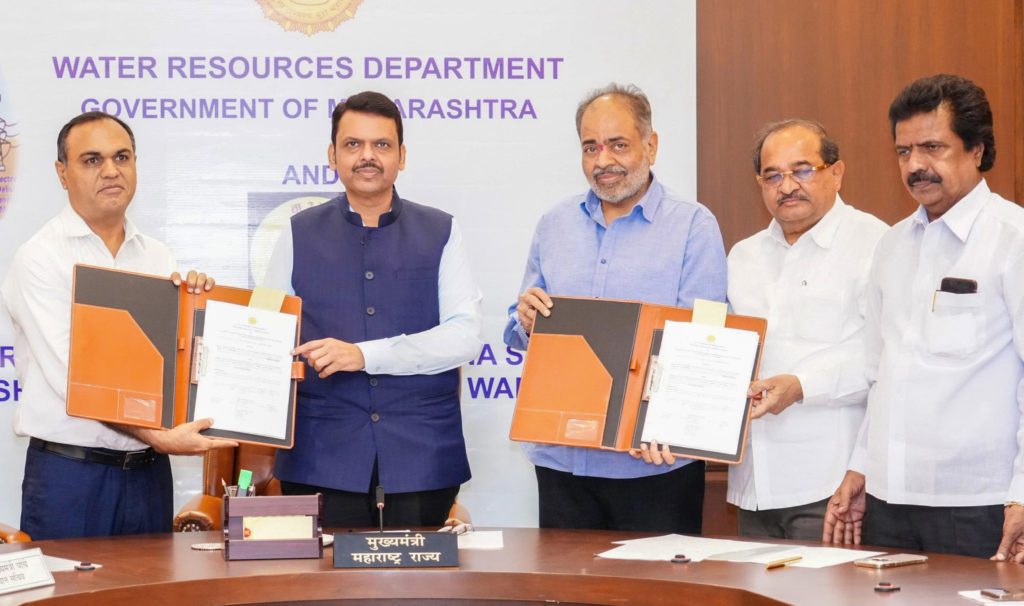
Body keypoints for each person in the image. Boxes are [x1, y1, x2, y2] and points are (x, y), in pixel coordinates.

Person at [0, 111, 234, 540]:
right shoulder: (40, 258)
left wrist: (200, 313)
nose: (110, 170)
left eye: (121, 157)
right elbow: (75, 377)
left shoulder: (157, 257)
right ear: (62, 173)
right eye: (92, 160)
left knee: (154, 584)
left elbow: (173, 365)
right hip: (72, 477)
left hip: (148, 476)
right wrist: (162, 437)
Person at [504, 83, 727, 532]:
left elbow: (706, 340)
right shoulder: (554, 224)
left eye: (618, 145)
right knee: (566, 578)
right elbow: (521, 326)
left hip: (654, 462)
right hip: (562, 461)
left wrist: (669, 424)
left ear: (651, 145)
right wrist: (525, 319)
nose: (603, 160)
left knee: (658, 579)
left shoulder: (693, 226)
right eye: (591, 147)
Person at [823, 74, 1024, 560]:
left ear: (976, 149)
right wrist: (861, 466)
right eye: (903, 151)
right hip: (887, 500)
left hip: (979, 504)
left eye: (933, 147)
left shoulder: (1012, 238)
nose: (915, 165)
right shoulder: (891, 246)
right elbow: (881, 373)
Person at [263, 91, 482, 528]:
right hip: (321, 455)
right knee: (324, 574)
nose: (367, 156)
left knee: (419, 574)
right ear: (332, 155)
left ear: (402, 155)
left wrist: (364, 355)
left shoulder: (441, 230)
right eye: (353, 144)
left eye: (381, 144)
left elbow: (464, 336)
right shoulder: (296, 232)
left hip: (422, 456)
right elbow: (266, 330)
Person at [725, 119, 887, 540]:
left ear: (836, 173)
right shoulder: (743, 256)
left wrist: (802, 386)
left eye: (802, 170)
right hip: (753, 486)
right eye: (772, 176)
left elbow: (884, 358)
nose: (787, 186)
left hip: (832, 488)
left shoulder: (877, 245)